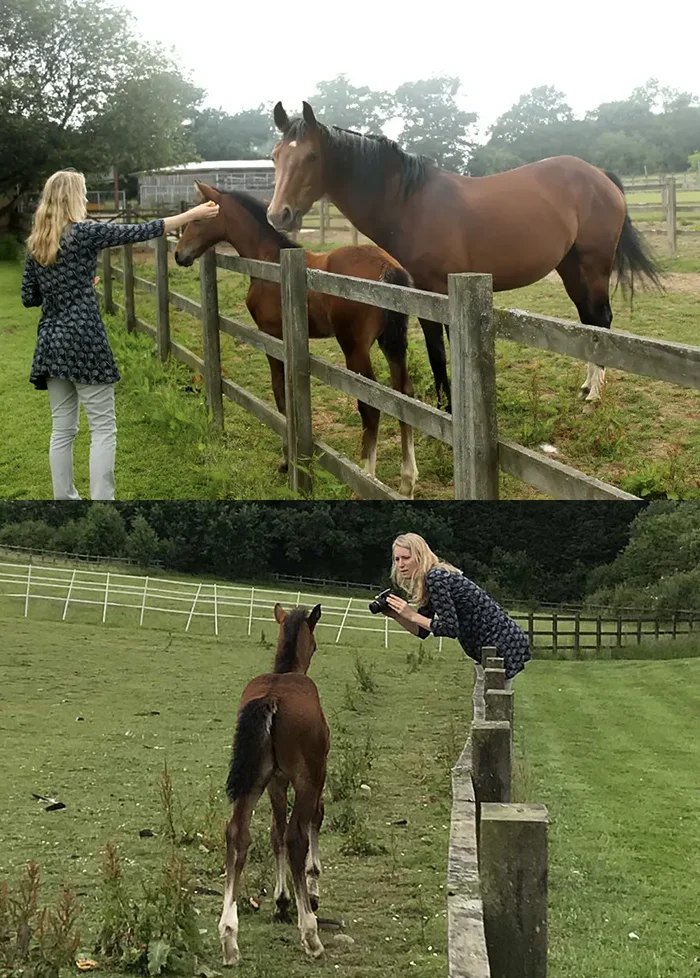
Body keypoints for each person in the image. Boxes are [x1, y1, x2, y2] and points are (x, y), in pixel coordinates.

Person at [20, 168, 220, 501]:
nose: (85, 199)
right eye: (83, 193)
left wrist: (73, 286)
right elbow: (140, 230)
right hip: (83, 339)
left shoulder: (37, 243)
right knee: (103, 428)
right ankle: (102, 503)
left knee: (62, 430)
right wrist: (193, 214)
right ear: (71, 197)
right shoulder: (84, 233)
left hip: (50, 344)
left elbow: (30, 297)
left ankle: (65, 500)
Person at [383, 532, 530, 689]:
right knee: (483, 702)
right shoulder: (430, 579)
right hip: (489, 649)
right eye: (397, 559)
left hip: (501, 645)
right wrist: (396, 615)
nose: (400, 564)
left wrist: (411, 615)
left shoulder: (436, 578)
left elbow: (450, 628)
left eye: (406, 558)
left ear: (420, 556)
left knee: (491, 705)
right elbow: (422, 631)